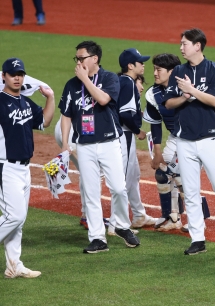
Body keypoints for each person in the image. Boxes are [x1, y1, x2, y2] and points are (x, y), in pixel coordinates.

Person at [163, 28, 215, 255]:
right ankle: (197, 239)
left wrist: (191, 91)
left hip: (210, 138)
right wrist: (184, 97)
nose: (181, 48)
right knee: (190, 191)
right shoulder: (178, 71)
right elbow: (169, 103)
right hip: (184, 140)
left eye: (184, 44)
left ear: (197, 45)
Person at [60, 41, 141, 253]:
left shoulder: (109, 78)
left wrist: (85, 79)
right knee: (91, 193)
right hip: (84, 145)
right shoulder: (71, 85)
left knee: (118, 188)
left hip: (108, 142)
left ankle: (122, 225)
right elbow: (66, 114)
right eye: (76, 58)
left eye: (81, 58)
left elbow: (103, 99)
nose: (78, 62)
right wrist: (66, 143)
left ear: (94, 59)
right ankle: (98, 238)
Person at [0, 58, 54, 278]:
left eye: (20, 74)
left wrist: (50, 97)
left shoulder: (25, 102)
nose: (17, 78)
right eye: (13, 74)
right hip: (5, 167)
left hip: (24, 168)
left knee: (19, 220)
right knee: (14, 215)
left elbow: (44, 122)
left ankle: (14, 266)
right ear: (4, 76)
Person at [113, 48, 157, 231]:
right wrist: (138, 130)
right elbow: (125, 114)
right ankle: (116, 224)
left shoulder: (123, 82)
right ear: (130, 66)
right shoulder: (128, 83)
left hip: (123, 134)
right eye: (140, 62)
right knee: (121, 181)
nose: (143, 64)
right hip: (124, 135)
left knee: (132, 176)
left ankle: (138, 215)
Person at [143, 53, 184, 232]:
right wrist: (157, 152)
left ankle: (198, 220)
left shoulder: (186, 87)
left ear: (171, 71)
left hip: (196, 138)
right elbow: (155, 124)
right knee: (162, 173)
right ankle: (171, 216)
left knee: (182, 178)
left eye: (159, 70)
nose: (155, 73)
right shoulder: (153, 93)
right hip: (175, 138)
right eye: (154, 69)